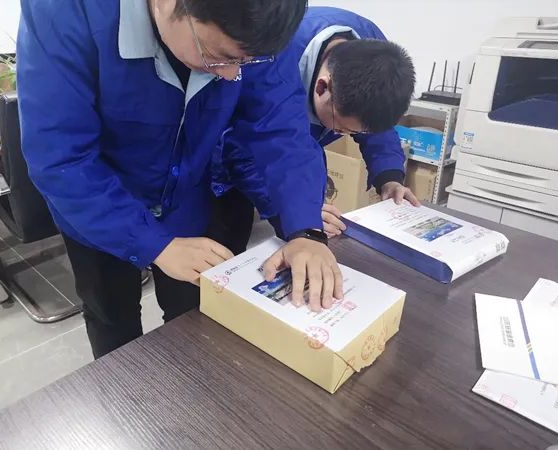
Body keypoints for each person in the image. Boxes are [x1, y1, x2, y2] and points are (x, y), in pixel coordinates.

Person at [17, 0, 344, 358]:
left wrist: (305, 229)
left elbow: (281, 129)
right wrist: (153, 243)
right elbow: (61, 157)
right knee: (112, 315)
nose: (231, 76)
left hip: (184, 196)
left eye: (246, 62)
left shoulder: (256, 23)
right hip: (94, 207)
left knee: (191, 313)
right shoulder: (66, 11)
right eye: (217, 57)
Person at [211, 6, 418, 254]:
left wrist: (389, 177)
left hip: (288, 146)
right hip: (222, 155)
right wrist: (296, 216)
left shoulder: (375, 52)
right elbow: (245, 150)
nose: (344, 135)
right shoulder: (269, 58)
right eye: (342, 128)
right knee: (224, 247)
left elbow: (373, 121)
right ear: (322, 87)